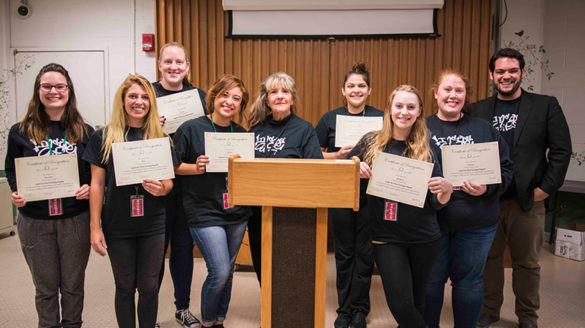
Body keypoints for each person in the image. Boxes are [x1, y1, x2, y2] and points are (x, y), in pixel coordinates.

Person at [472, 48, 572, 328]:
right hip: (487, 201)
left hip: (527, 201)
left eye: (512, 71)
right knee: (489, 260)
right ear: (492, 75)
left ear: (522, 73)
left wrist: (545, 189)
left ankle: (527, 316)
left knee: (526, 263)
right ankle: (489, 309)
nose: (506, 76)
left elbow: (562, 151)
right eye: (500, 71)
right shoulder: (479, 109)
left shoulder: (545, 105)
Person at [348, 85, 452, 327]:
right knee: (400, 304)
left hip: (424, 237)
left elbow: (437, 203)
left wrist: (446, 192)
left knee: (416, 303)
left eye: (411, 107)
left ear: (419, 112)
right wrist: (355, 167)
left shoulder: (429, 148)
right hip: (386, 236)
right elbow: (342, 172)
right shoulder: (371, 142)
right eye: (399, 106)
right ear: (389, 109)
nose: (404, 112)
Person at [4, 63, 94, 328]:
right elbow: (12, 168)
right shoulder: (19, 131)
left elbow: (92, 173)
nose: (53, 91)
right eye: (47, 86)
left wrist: (88, 187)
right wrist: (16, 191)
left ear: (69, 90)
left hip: (75, 219)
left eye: (59, 86)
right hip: (35, 221)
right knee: (45, 289)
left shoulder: (85, 131)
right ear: (38, 90)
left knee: (73, 287)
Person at [423, 70, 514, 327]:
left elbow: (506, 169)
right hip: (433, 223)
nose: (453, 95)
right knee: (431, 283)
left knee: (469, 284)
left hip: (477, 223)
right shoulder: (421, 128)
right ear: (436, 93)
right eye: (448, 89)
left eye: (459, 91)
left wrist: (487, 188)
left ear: (466, 96)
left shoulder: (484, 129)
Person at [85, 74, 175, 328]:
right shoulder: (103, 136)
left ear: (152, 103)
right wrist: (95, 227)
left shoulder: (161, 137)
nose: (139, 102)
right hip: (118, 223)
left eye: (145, 97)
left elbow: (169, 182)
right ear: (122, 101)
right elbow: (97, 184)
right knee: (124, 287)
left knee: (149, 287)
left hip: (153, 222)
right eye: (133, 96)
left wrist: (162, 189)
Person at [173, 75, 251, 328]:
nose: (229, 102)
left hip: (236, 210)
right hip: (203, 210)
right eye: (225, 95)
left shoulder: (241, 134)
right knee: (218, 271)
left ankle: (219, 320)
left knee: (228, 272)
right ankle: (208, 321)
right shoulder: (191, 128)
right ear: (214, 97)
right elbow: (173, 167)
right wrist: (195, 168)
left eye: (236, 99)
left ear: (241, 105)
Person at [314, 62, 382, 328]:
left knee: (365, 254)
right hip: (340, 194)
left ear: (369, 90)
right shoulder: (330, 118)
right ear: (343, 90)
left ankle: (360, 310)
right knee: (344, 253)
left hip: (372, 195)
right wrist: (337, 155)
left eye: (361, 86)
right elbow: (315, 155)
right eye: (351, 86)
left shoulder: (381, 117)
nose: (356, 90)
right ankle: (344, 309)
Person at [247, 72, 323, 284]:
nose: (280, 96)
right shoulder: (255, 128)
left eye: (285, 92)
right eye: (274, 92)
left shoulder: (304, 129)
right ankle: (268, 309)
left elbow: (315, 169)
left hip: (291, 210)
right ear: (267, 99)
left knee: (288, 264)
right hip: (258, 209)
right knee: (261, 260)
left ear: (292, 98)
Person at [153, 41, 206, 328]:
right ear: (160, 65)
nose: (174, 67)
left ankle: (181, 308)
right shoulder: (146, 94)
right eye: (168, 62)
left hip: (188, 183)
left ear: (187, 66)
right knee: (155, 250)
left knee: (183, 248)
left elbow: (208, 131)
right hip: (156, 185)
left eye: (179, 62)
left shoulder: (198, 96)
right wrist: (152, 125)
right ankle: (148, 315)